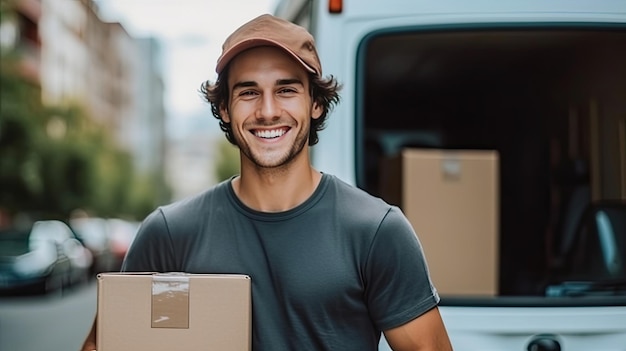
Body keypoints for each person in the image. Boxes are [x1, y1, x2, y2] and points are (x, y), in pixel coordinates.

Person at [81, 14, 452, 351]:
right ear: (224, 108)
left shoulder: (374, 231)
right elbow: (111, 343)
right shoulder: (172, 235)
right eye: (248, 92)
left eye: (287, 90)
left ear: (316, 103)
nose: (268, 110)